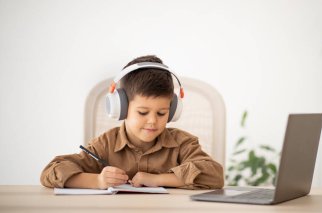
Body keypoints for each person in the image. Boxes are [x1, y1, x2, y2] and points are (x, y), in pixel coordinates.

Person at [40, 55, 224, 190]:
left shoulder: (183, 143)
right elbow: (51, 172)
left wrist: (158, 179)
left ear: (173, 110)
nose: (153, 121)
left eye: (162, 113)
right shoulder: (105, 145)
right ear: (121, 107)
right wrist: (97, 181)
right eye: (143, 112)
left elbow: (214, 175)